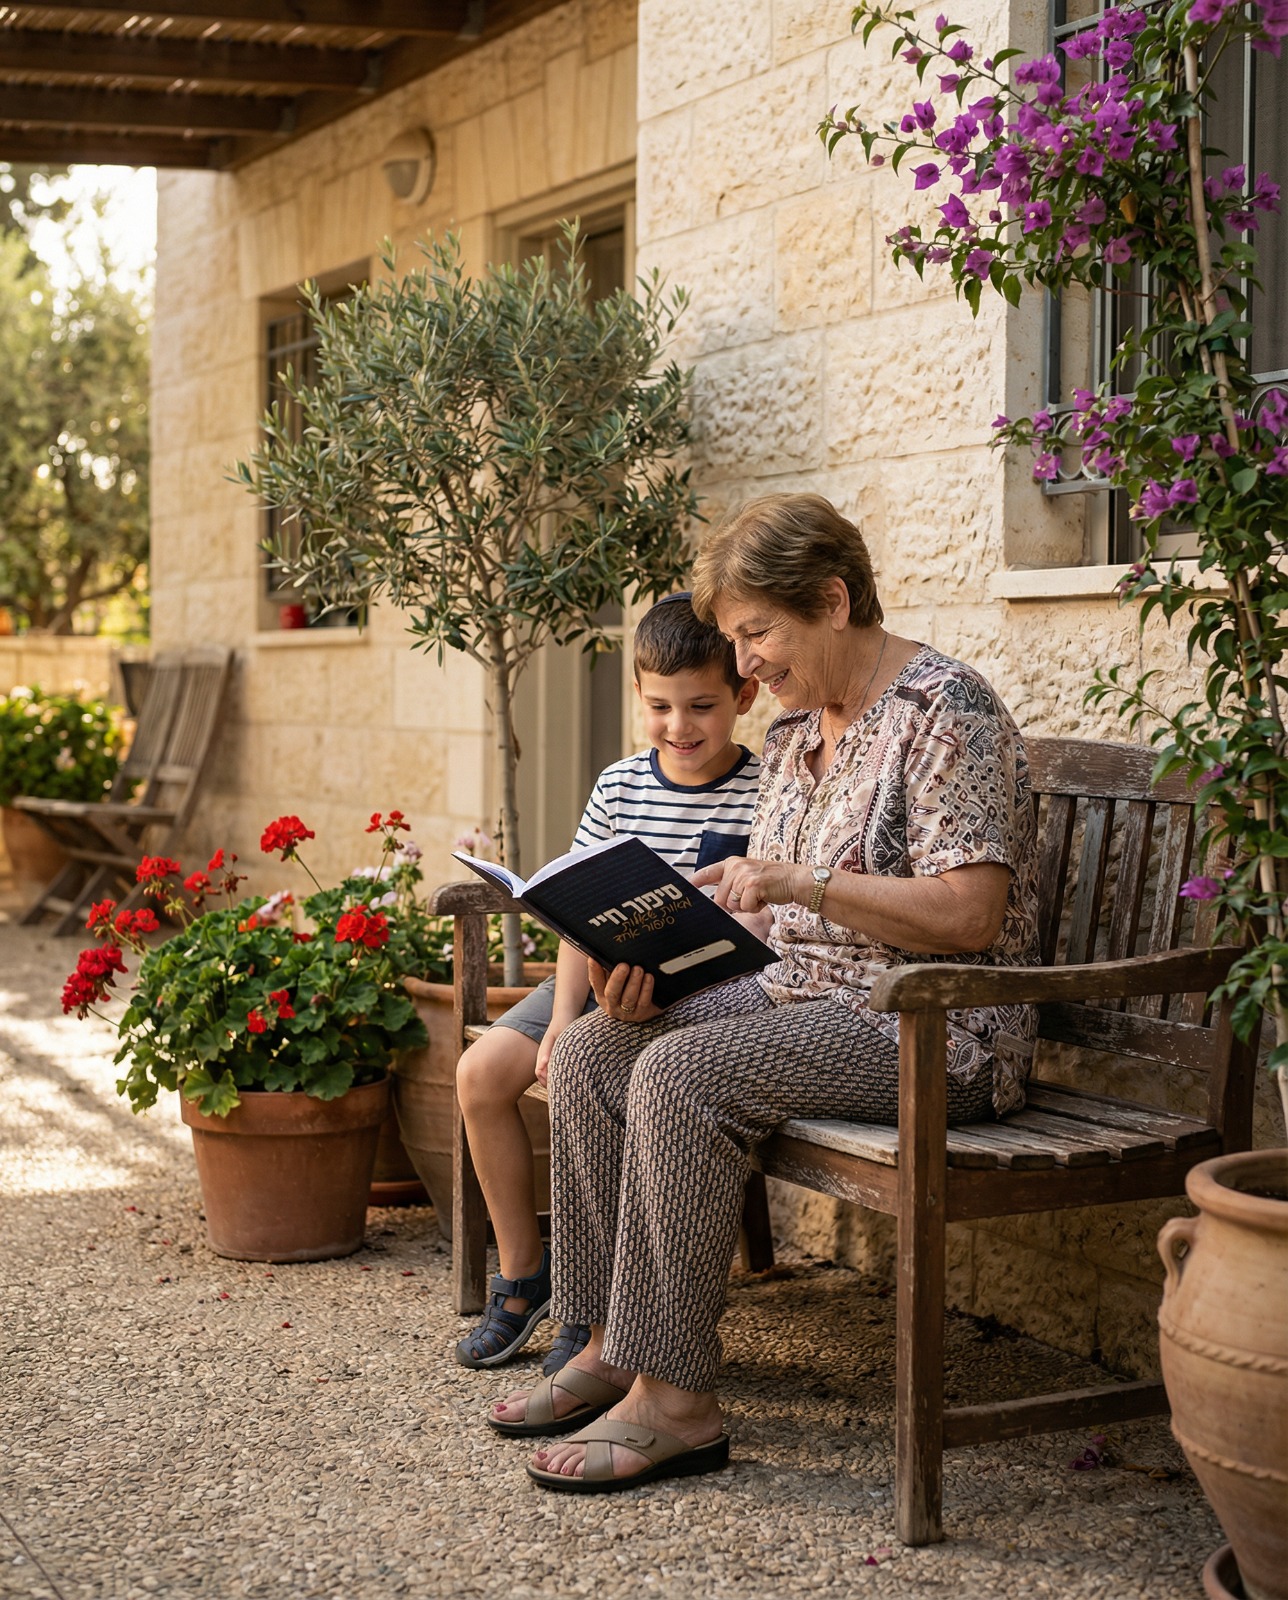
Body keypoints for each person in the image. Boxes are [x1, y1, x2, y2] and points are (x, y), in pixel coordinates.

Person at [486, 491, 1040, 1493]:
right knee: (595, 1047)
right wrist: (661, 955)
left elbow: (970, 916)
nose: (744, 666)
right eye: (738, 640)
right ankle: (613, 1339)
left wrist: (801, 884)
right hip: (795, 999)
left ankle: (678, 1402)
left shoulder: (943, 708)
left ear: (831, 601)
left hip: (928, 1026)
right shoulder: (795, 733)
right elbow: (768, 921)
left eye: (756, 635)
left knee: (684, 1074)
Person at [453, 594, 761, 1374]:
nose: (679, 727)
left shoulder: (763, 791)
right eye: (659, 706)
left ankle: (604, 1310)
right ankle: (525, 1276)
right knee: (481, 1073)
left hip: (695, 1000)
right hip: (597, 980)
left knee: (612, 1080)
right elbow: (574, 913)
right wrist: (558, 1020)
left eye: (701, 706)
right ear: (637, 697)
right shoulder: (621, 784)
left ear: (743, 698)